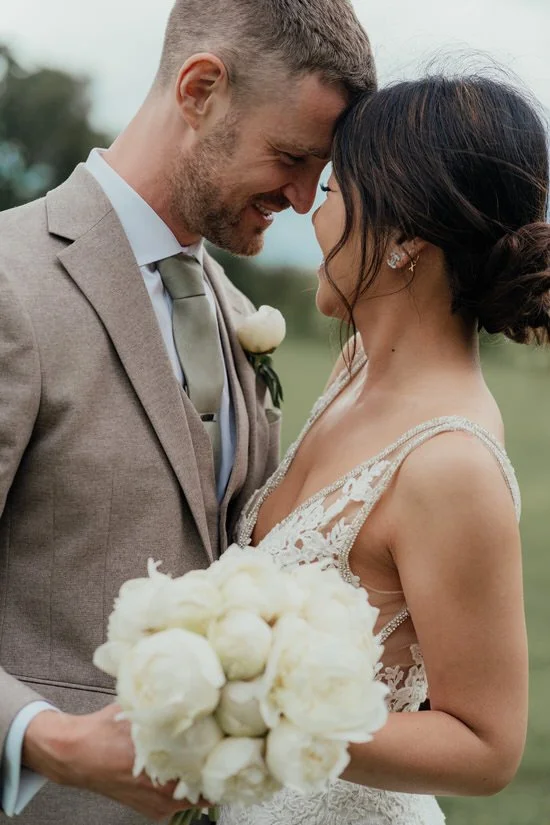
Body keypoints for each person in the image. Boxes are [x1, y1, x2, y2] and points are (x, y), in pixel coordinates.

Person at [0, 1, 375, 823]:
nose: (308, 197)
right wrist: (42, 736)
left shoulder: (233, 308)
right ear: (200, 88)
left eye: (323, 171)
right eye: (291, 155)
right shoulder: (10, 283)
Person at [219, 73, 550, 825]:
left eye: (333, 188)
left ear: (406, 241)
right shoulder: (354, 369)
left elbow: (487, 745)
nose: (311, 211)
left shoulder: (449, 463)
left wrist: (256, 715)